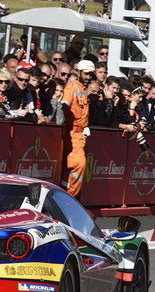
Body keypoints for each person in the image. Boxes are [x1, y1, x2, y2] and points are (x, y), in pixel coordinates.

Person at [60, 59, 95, 198]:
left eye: (90, 74)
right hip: (72, 133)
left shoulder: (82, 89)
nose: (88, 77)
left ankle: (66, 195)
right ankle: (70, 198)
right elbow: (64, 106)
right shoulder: (72, 87)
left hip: (80, 135)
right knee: (79, 165)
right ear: (78, 72)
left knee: (70, 168)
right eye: (86, 73)